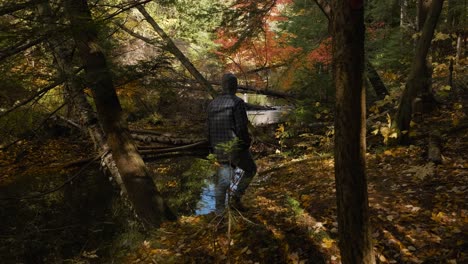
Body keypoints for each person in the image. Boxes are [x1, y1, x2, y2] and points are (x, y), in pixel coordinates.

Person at [207, 73, 257, 214]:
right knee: (250, 170)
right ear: (234, 86)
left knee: (224, 177)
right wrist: (246, 143)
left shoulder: (212, 103)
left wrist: (211, 147)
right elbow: (241, 127)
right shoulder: (237, 103)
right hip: (234, 147)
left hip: (218, 147)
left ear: (222, 86)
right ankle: (235, 200)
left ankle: (219, 211)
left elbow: (208, 129)